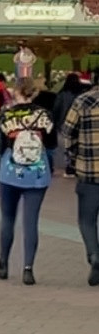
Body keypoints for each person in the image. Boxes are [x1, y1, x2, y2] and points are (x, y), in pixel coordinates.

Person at [0, 77, 55, 285]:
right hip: (37, 171)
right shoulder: (45, 114)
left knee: (8, 218)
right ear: (34, 93)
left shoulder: (6, 114)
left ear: (16, 91)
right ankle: (28, 268)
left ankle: (3, 263)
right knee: (31, 221)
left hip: (10, 170)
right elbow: (52, 143)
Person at [63, 66, 99, 286]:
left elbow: (67, 132)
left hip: (88, 172)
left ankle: (94, 255)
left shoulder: (82, 101)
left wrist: (74, 155)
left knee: (86, 219)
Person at [54, 73, 83, 178]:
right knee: (79, 145)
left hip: (63, 123)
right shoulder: (81, 95)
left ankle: (69, 167)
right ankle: (77, 165)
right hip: (79, 123)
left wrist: (55, 121)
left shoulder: (62, 94)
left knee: (66, 146)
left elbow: (56, 109)